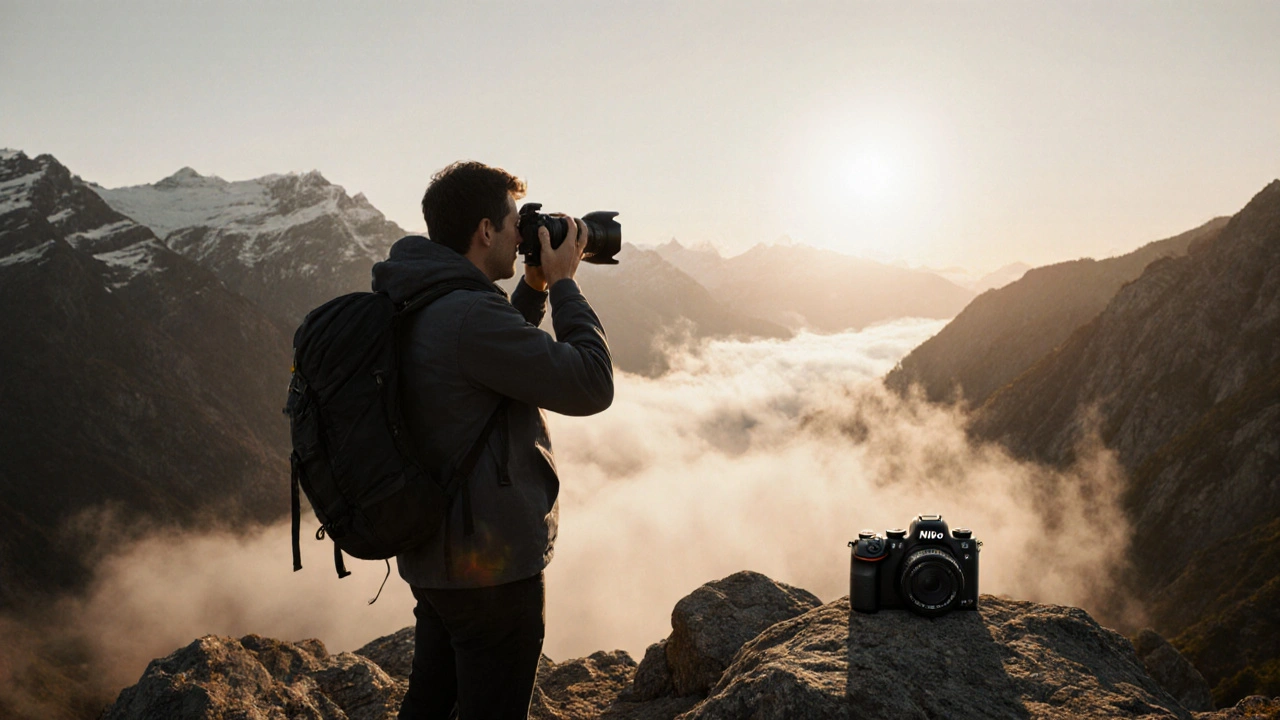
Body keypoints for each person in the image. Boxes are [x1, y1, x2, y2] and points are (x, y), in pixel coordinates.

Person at [370, 161, 613, 719]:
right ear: (485, 231)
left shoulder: (418, 297)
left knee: (431, 699)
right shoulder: (466, 314)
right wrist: (567, 283)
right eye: (513, 223)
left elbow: (487, 361)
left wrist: (532, 290)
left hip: (434, 555)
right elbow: (591, 384)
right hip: (492, 575)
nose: (521, 236)